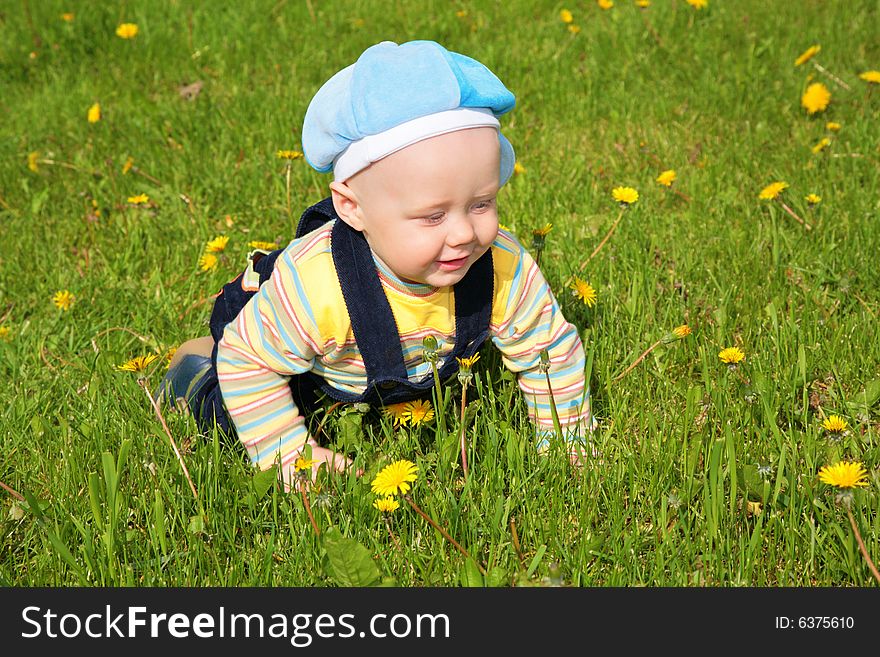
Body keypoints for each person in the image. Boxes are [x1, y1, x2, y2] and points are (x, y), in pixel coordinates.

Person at [158, 40, 594, 490]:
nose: (464, 233)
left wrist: (568, 444)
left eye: (482, 203)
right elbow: (248, 362)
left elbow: (551, 352)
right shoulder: (317, 286)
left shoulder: (501, 265)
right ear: (352, 208)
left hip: (381, 363)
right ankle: (193, 366)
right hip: (297, 355)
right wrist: (291, 454)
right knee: (229, 419)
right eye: (433, 215)